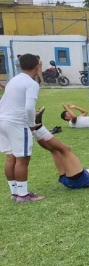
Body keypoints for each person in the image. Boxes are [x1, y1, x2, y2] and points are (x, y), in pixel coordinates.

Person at [0, 53, 45, 203]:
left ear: (20, 65)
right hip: (17, 123)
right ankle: (23, 195)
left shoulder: (13, 80)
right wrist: (31, 124)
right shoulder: (31, 83)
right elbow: (29, 108)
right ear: (37, 66)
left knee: (11, 156)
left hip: (3, 121)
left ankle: (15, 193)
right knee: (23, 158)